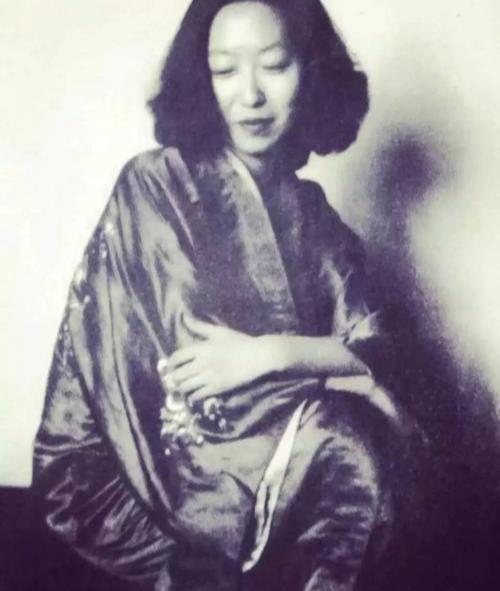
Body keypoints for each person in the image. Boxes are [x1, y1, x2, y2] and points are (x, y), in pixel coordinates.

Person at [33, 1, 416, 590]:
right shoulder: (156, 182)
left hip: (289, 466)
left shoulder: (315, 218)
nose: (251, 95)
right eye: (225, 70)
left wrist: (271, 354)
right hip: (149, 477)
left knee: (371, 441)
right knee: (348, 442)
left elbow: (381, 342)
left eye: (275, 65)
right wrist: (346, 377)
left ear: (312, 72)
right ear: (201, 79)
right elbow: (196, 368)